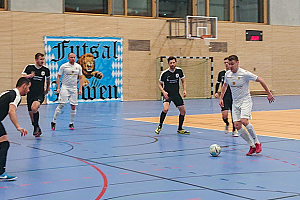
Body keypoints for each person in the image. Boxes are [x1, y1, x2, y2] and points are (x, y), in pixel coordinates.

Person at [219, 55, 274, 156]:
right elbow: (225, 85)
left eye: (232, 64)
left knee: (244, 121)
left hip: (245, 100)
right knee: (237, 125)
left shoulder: (244, 73)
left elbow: (261, 80)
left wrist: (268, 93)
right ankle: (252, 145)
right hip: (235, 102)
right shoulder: (228, 74)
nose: (230, 66)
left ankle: (257, 142)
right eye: (229, 64)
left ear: (237, 63)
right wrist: (221, 98)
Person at [0, 77, 30, 181]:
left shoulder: (8, 92)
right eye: (28, 88)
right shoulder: (16, 96)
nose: (28, 91)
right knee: (4, 143)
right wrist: (18, 127)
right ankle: (1, 173)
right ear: (24, 86)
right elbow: (11, 111)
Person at [155, 56, 190, 135]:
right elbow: (159, 84)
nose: (172, 64)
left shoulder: (179, 71)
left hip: (176, 94)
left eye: (173, 62)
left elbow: (183, 81)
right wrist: (163, 92)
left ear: (176, 63)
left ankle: (180, 129)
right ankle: (160, 126)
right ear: (168, 64)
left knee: (183, 111)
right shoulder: (164, 73)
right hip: (168, 95)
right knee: (165, 109)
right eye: (170, 63)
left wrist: (184, 90)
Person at [51, 52, 83, 130]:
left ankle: (71, 123)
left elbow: (81, 78)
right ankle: (54, 121)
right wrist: (58, 87)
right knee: (62, 104)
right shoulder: (64, 66)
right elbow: (58, 77)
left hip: (74, 88)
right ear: (68, 58)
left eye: (74, 57)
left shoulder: (78, 67)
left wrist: (80, 89)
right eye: (71, 57)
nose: (73, 59)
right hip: (65, 87)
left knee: (73, 105)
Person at [21, 53, 50, 137]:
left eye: (43, 59)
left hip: (39, 94)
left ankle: (36, 128)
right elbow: (22, 76)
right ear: (36, 60)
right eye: (40, 59)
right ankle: (36, 127)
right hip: (30, 94)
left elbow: (48, 80)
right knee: (31, 115)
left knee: (34, 108)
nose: (42, 61)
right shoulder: (29, 68)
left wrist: (47, 89)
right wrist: (28, 76)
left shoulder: (45, 70)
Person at [215, 57, 238, 137]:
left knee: (233, 115)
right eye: (225, 62)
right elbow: (218, 83)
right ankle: (227, 123)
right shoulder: (222, 73)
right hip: (225, 97)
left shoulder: (234, 73)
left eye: (228, 62)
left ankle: (234, 130)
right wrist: (216, 92)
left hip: (233, 96)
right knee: (224, 116)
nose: (226, 64)